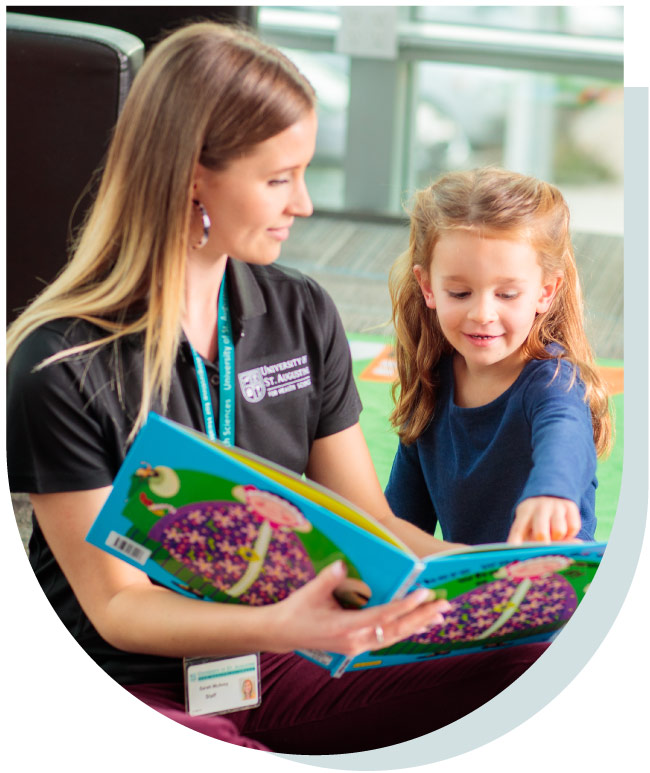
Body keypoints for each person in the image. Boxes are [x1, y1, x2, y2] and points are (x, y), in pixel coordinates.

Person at [6, 24, 547, 755]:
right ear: (192, 175)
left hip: (283, 659)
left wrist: (498, 583)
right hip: (128, 684)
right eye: (278, 179)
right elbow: (117, 607)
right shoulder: (59, 363)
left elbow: (370, 522)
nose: (305, 204)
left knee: (538, 658)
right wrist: (282, 624)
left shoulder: (301, 312)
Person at [385, 168, 612, 547]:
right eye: (460, 293)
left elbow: (566, 433)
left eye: (506, 295)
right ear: (428, 287)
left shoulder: (554, 381)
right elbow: (401, 519)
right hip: (467, 575)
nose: (482, 314)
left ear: (545, 291)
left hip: (551, 574)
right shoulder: (433, 380)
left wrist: (552, 491)